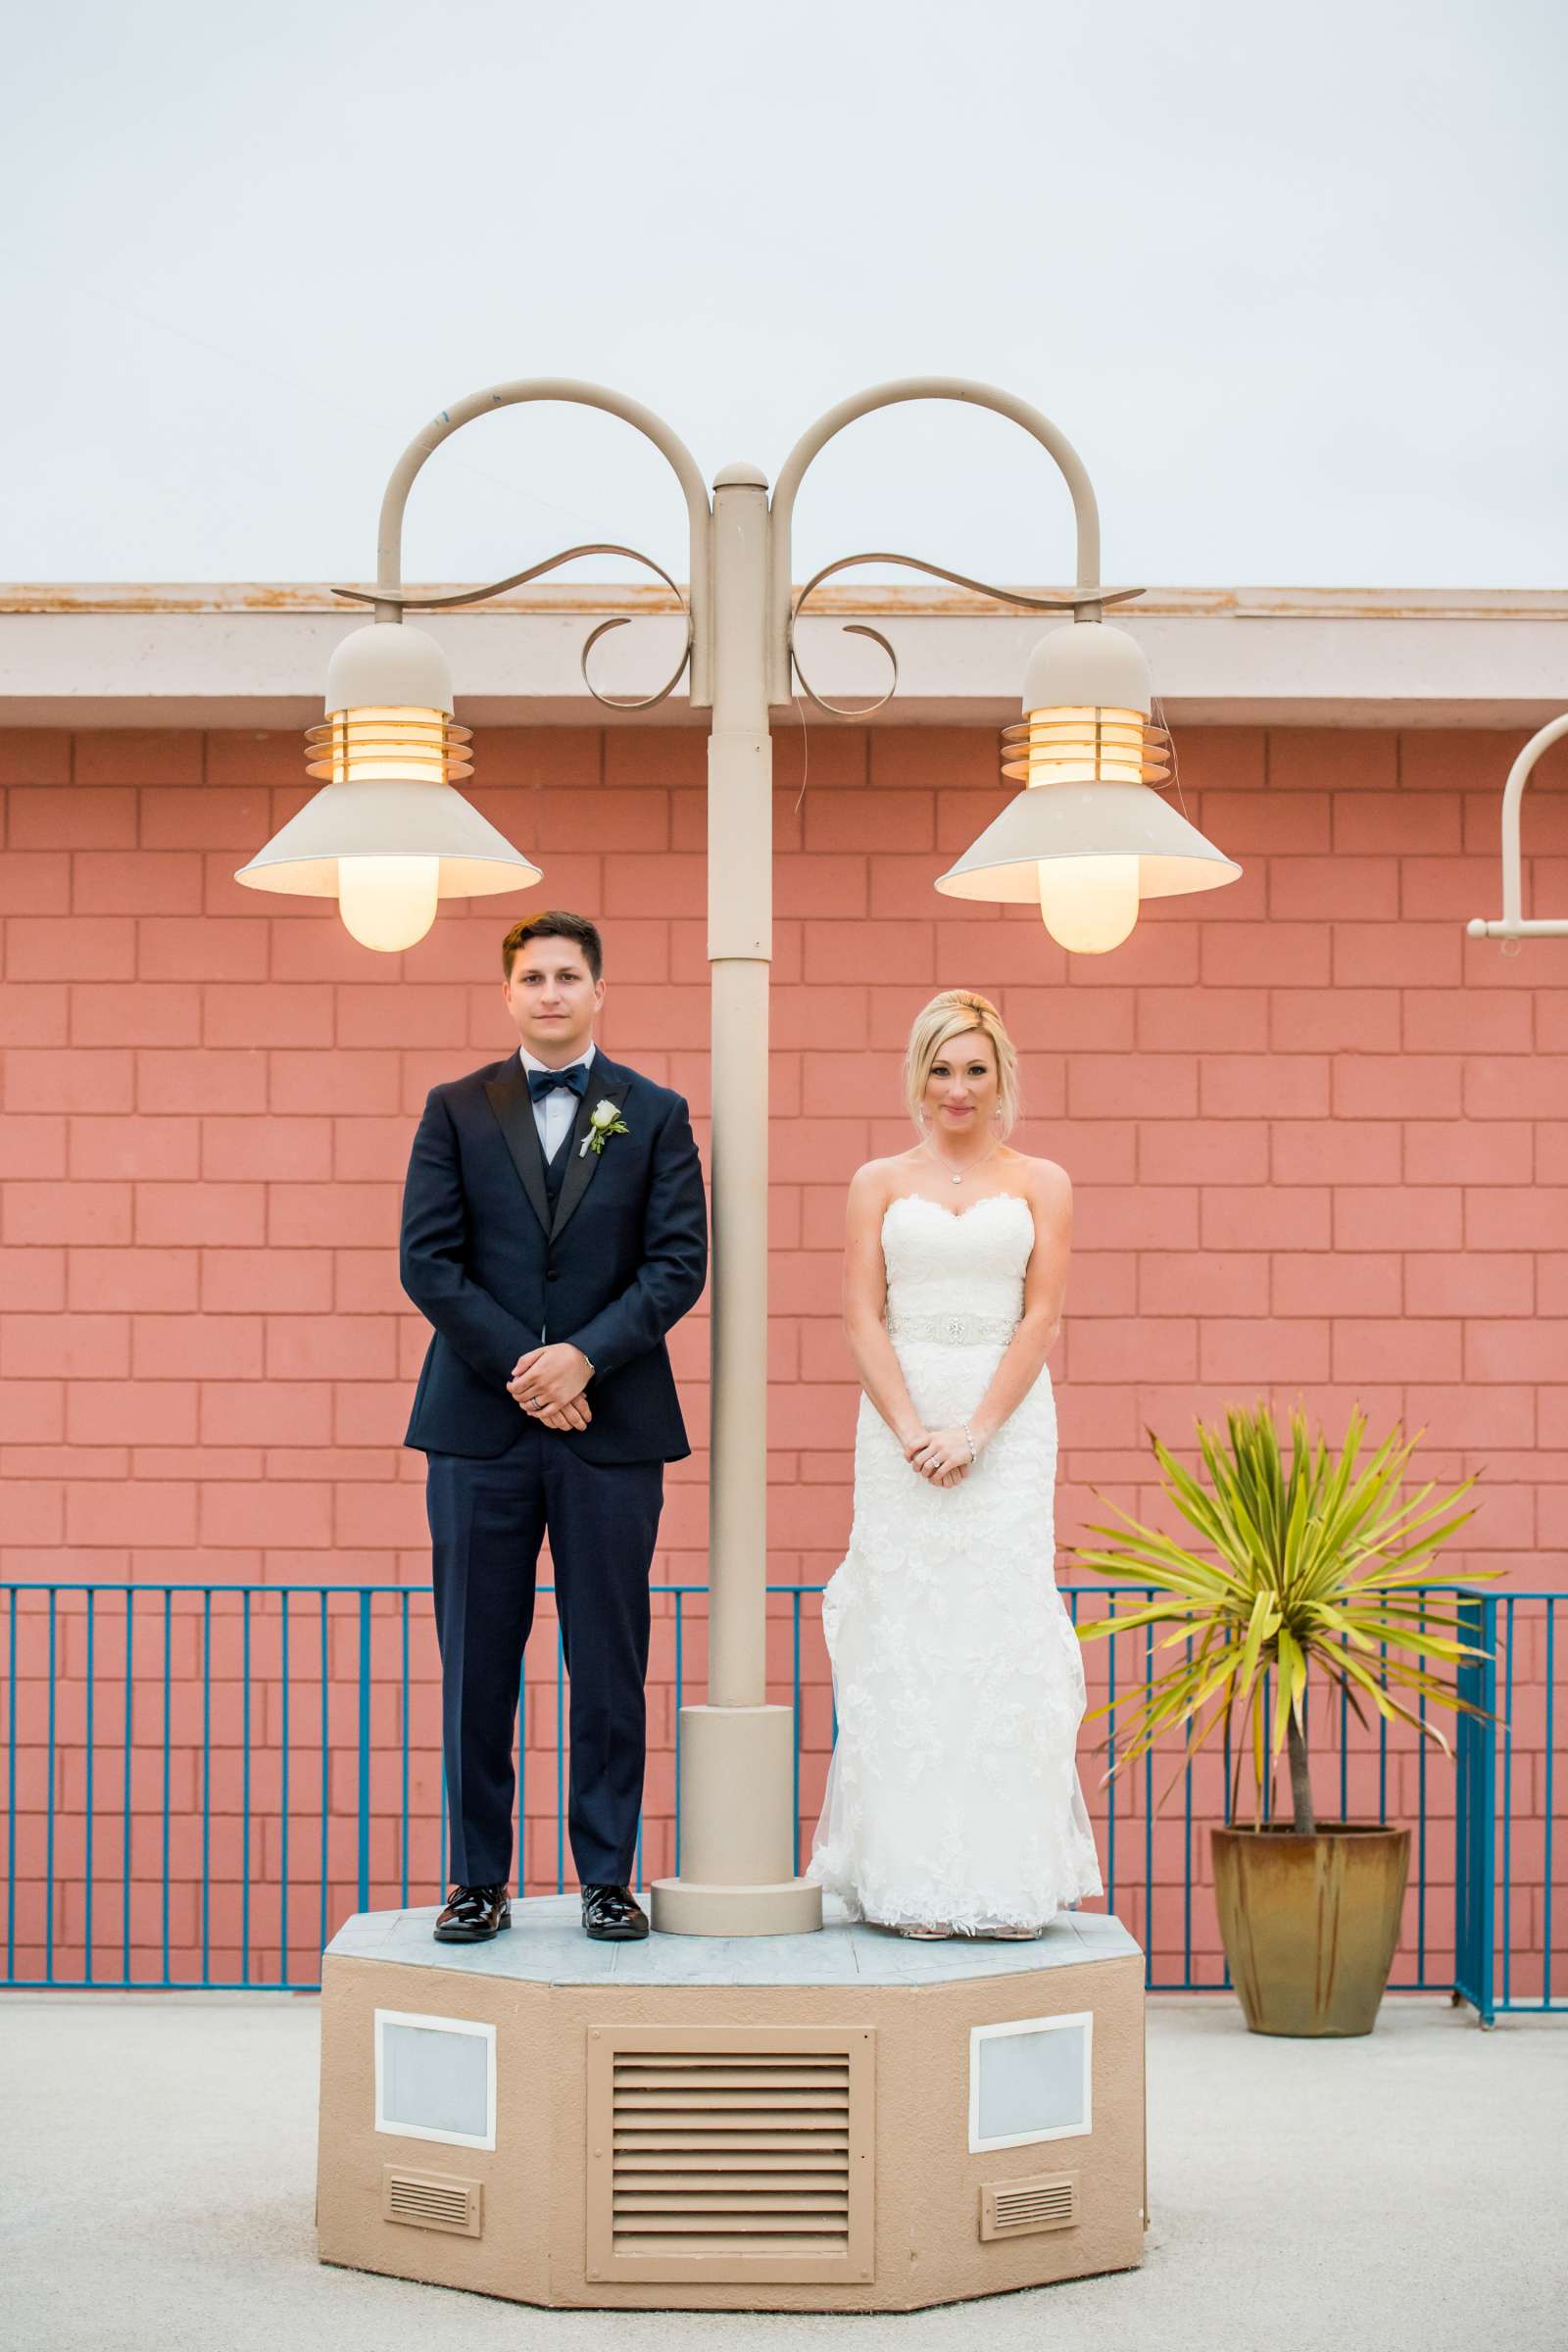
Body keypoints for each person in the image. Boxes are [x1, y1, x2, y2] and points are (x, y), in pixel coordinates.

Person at [399, 911, 708, 1944]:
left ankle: (605, 1879)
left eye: (568, 975)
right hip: (477, 1434)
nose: (550, 992)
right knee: (477, 1660)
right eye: (531, 977)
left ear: (599, 990)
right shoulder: (454, 1110)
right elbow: (427, 1262)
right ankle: (477, 1880)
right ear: (507, 993)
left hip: (611, 1429)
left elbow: (676, 1265)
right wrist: (529, 1371)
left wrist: (585, 1356)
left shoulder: (655, 1114)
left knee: (610, 1664)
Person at [807, 989, 1102, 1937]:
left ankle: (1002, 1880)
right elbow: (860, 1314)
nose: (957, 1088)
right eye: (941, 1068)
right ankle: (907, 1879)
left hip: (1005, 1426)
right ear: (917, 1076)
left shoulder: (1043, 1182)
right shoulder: (876, 1183)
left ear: (1001, 1075)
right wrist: (910, 1430)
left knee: (996, 1627)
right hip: (898, 1427)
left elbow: (1039, 1317)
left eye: (975, 1068)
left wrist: (974, 1430)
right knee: (906, 1633)